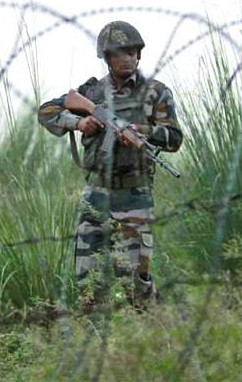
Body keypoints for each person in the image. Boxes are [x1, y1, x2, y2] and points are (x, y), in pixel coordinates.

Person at [37, 21, 182, 309]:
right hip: (97, 194)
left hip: (136, 194)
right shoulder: (91, 93)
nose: (127, 58)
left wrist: (141, 131)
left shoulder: (155, 93)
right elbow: (47, 112)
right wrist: (80, 122)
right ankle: (94, 341)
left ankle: (155, 328)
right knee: (87, 277)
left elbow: (174, 138)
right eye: (119, 52)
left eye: (132, 52)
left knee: (135, 279)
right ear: (107, 57)